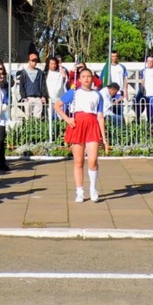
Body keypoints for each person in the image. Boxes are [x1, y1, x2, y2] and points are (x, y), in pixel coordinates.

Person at [54, 66, 110, 203]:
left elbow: (100, 116)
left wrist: (104, 138)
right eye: (83, 76)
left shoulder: (97, 95)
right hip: (77, 125)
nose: (86, 79)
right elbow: (57, 105)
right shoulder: (73, 92)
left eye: (89, 76)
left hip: (92, 125)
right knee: (78, 161)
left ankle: (93, 188)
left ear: (92, 79)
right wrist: (67, 119)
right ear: (79, 79)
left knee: (93, 160)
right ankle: (79, 191)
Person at [17, 52, 48, 119]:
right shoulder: (24, 72)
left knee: (38, 117)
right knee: (28, 116)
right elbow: (21, 86)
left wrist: (43, 96)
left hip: (38, 97)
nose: (34, 62)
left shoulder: (40, 73)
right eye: (33, 61)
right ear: (29, 61)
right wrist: (24, 97)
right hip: (28, 98)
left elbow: (43, 85)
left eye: (36, 61)